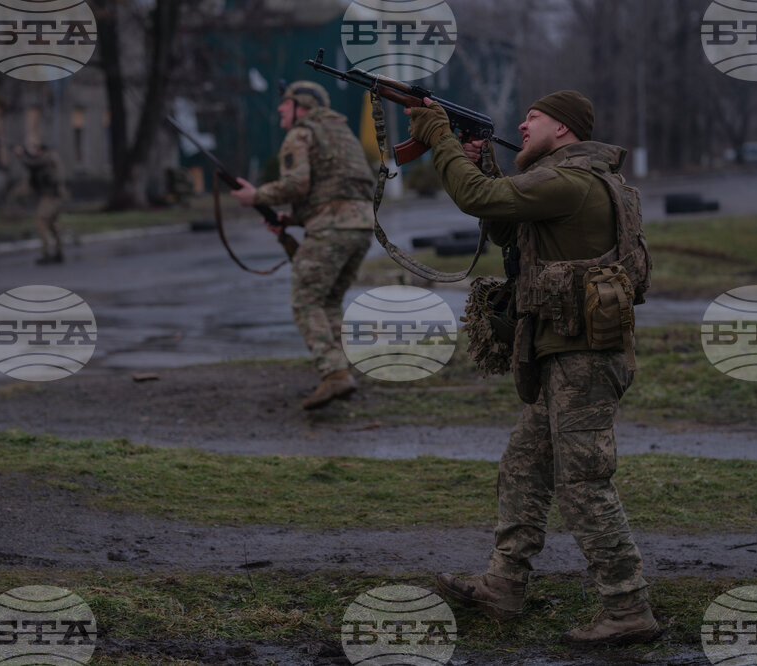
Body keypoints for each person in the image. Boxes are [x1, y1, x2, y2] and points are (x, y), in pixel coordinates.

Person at [405, 92, 660, 645]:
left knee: (584, 484)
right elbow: (505, 225)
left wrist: (438, 135)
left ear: (563, 129)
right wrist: (479, 162)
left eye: (534, 118)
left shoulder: (568, 182)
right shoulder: (564, 181)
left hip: (583, 362)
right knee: (523, 466)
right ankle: (504, 585)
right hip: (570, 355)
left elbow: (477, 199)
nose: (521, 124)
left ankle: (627, 606)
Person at [230, 81, 376, 410]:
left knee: (305, 302)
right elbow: (337, 189)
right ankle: (342, 371)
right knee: (328, 301)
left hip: (332, 229)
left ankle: (335, 373)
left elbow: (296, 184)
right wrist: (291, 221)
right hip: (362, 227)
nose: (281, 108)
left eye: (287, 103)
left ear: (303, 107)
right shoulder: (341, 134)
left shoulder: (302, 133)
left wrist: (256, 196)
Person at [13, 143, 66, 265]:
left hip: (51, 197)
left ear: (40, 150)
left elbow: (31, 164)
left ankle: (47, 253)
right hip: (56, 197)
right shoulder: (51, 157)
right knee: (53, 225)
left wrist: (20, 154)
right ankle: (59, 252)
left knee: (41, 222)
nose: (34, 153)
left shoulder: (46, 158)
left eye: (35, 150)